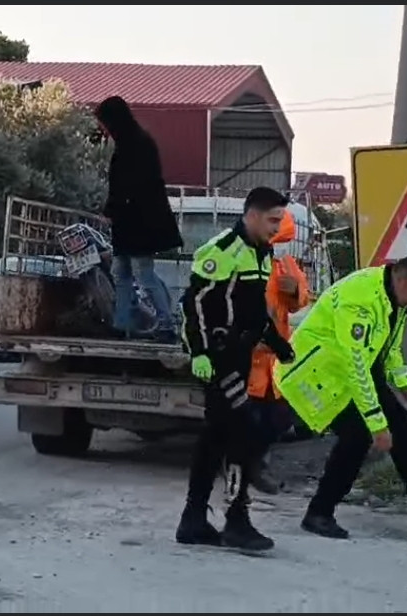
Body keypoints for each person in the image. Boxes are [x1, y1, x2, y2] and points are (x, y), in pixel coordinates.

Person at [274, 255, 407, 539]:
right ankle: (319, 512)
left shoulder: (397, 298)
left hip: (346, 368)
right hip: (316, 375)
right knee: (358, 435)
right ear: (400, 279)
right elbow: (357, 368)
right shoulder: (360, 300)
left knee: (403, 427)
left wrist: (401, 380)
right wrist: (377, 424)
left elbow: (388, 344)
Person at [175, 186, 296, 552]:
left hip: (242, 356)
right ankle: (237, 519)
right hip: (217, 359)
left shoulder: (262, 252)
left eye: (280, 220)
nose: (277, 227)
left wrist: (279, 346)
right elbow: (192, 305)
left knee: (215, 438)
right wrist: (198, 353)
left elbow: (255, 313)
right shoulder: (223, 251)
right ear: (252, 215)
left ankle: (193, 520)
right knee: (246, 431)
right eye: (273, 219)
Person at [95, 96, 182, 342]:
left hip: (138, 221)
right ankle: (124, 323)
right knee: (122, 270)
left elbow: (130, 185)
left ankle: (165, 323)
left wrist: (112, 209)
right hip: (132, 220)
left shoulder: (134, 145)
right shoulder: (135, 142)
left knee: (143, 273)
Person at [241, 210, 311, 495]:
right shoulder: (242, 259)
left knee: (279, 420)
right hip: (247, 360)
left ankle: (253, 465)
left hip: (274, 361)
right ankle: (248, 472)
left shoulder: (284, 264)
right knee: (249, 423)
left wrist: (295, 290)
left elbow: (299, 301)